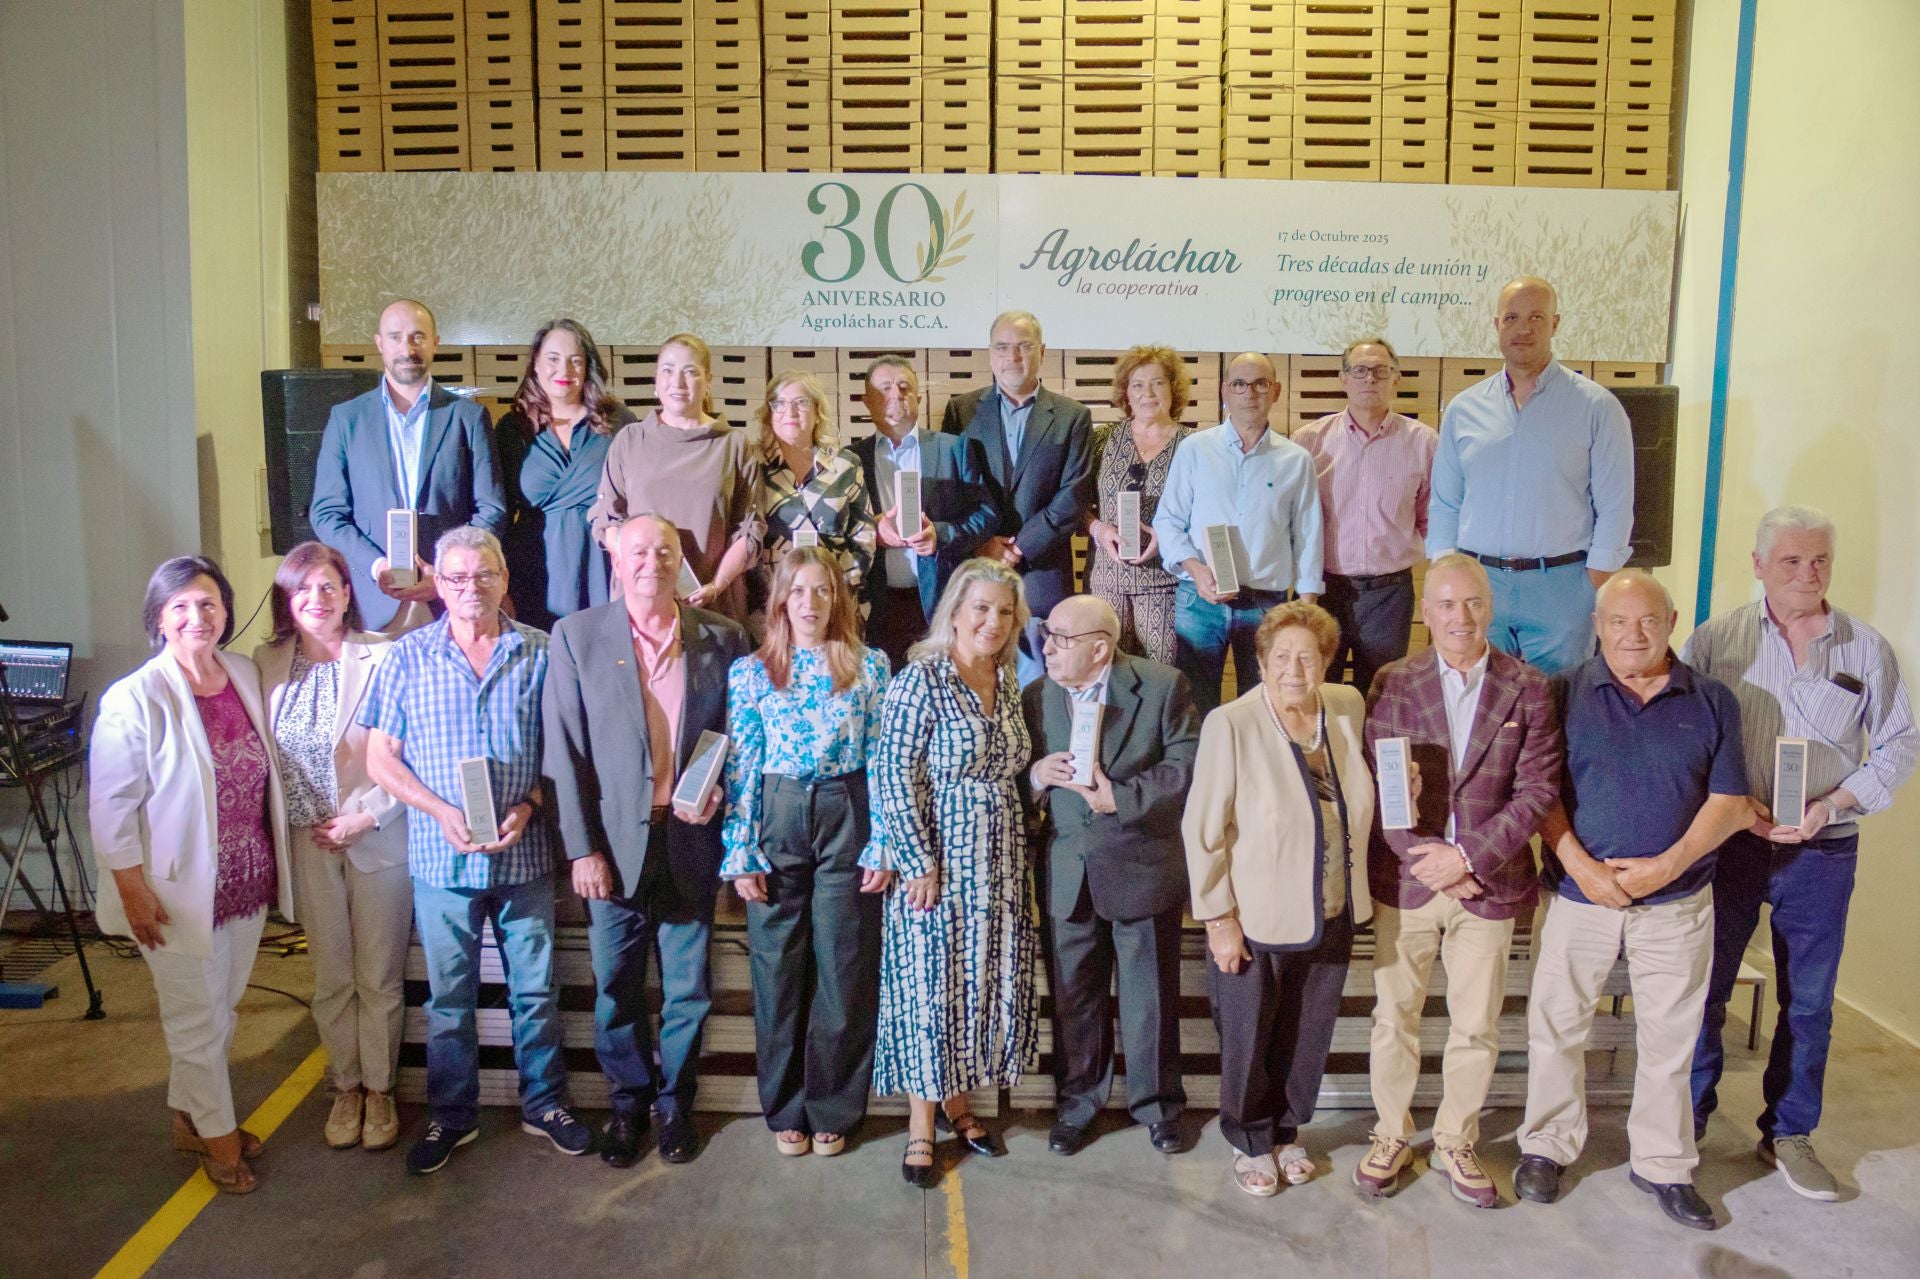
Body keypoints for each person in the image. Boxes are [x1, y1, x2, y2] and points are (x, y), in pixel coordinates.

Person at [1686, 506, 1919, 1201]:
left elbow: (1900, 744)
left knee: (1810, 1001)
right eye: (1790, 560)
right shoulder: (1715, 641)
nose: (1807, 573)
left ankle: (1788, 1132)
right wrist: (1730, 806)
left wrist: (1833, 805)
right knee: (1705, 987)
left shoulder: (1865, 648)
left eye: (1819, 560)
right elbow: (1685, 732)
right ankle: (1687, 1118)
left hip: (1823, 849)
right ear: (1759, 565)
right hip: (1731, 844)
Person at [1515, 571, 1755, 1231]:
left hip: (1677, 900)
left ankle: (1663, 1163)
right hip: (1579, 896)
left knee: (1671, 1038)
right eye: (1617, 620)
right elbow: (1541, 792)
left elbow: (1728, 801)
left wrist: (1665, 867)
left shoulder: (1712, 700)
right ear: (1597, 625)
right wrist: (1581, 867)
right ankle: (1546, 1145)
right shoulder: (1562, 693)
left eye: (1648, 619)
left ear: (1671, 622)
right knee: (1557, 1026)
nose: (1633, 633)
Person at [360, 527, 589, 1175]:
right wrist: (439, 810)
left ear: (504, 578)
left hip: (524, 855)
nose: (470, 587)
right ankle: (452, 1115)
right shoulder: (407, 658)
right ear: (438, 584)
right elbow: (380, 757)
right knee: (450, 1000)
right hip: (443, 861)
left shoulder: (542, 651)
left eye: (484, 574)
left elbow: (564, 749)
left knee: (535, 992)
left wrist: (530, 804)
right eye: (456, 577)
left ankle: (545, 1104)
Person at [543, 513, 751, 1167]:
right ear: (616, 558)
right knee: (617, 987)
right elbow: (564, 751)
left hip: (691, 839)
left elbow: (738, 738)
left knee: (688, 989)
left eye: (664, 550)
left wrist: (722, 795)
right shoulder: (577, 637)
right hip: (611, 848)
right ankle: (628, 1105)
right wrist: (581, 849)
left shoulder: (723, 636)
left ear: (678, 560)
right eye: (638, 550)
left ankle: (674, 1105)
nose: (651, 562)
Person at [1355, 553, 1561, 1207]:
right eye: (1446, 604)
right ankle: (1391, 1133)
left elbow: (1537, 791)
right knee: (1394, 1017)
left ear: (1490, 607)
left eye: (1472, 602)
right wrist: (1430, 859)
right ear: (1425, 611)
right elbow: (1381, 785)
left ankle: (1455, 1139)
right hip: (1408, 880)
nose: (1460, 616)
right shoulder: (1393, 681)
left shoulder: (1529, 687)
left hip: (1489, 885)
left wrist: (1468, 858)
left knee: (1476, 1024)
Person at [88, 556, 297, 1194]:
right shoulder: (134, 696)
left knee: (221, 1011)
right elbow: (110, 807)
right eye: (179, 606)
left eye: (207, 603)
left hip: (245, 881)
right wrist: (131, 890)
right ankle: (219, 1137)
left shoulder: (241, 673)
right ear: (158, 619)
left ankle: (188, 1116)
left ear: (226, 611)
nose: (195, 616)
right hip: (172, 893)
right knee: (195, 1021)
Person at [1184, 601, 1374, 1196]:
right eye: (1282, 657)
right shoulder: (1231, 724)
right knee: (1249, 1036)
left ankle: (1288, 1132)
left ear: (1326, 662)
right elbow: (1203, 830)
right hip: (1255, 917)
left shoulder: (1345, 707)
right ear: (1262, 662)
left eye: (1308, 657)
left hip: (1332, 905)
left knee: (1306, 1031)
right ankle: (1249, 1139)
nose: (1295, 669)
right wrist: (1219, 919)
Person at [720, 549, 894, 1157]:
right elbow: (741, 763)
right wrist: (740, 848)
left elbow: (883, 758)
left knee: (844, 964)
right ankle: (785, 1106)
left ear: (838, 598)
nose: (811, 602)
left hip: (848, 810)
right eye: (799, 591)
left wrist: (884, 839)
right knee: (777, 968)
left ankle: (833, 1107)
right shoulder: (752, 672)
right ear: (781, 601)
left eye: (823, 590)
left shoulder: (870, 666)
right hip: (779, 811)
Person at [871, 558, 1038, 1187]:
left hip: (1000, 860)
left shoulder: (1008, 676)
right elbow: (893, 774)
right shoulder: (921, 677)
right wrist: (918, 862)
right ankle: (920, 1126)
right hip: (938, 860)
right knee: (932, 987)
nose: (993, 621)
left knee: (977, 986)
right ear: (956, 612)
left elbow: (1012, 763)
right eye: (982, 608)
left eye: (1004, 611)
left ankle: (958, 1103)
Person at [1024, 595, 1198, 1157]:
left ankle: (1159, 1106)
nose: (1048, 648)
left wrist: (1120, 798)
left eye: (1061, 638)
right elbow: (1015, 772)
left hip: (1141, 866)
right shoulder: (1036, 695)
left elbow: (1186, 767)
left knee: (1150, 999)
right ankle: (1078, 1104)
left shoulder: (1163, 686)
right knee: (1075, 998)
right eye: (1046, 636)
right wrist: (1035, 777)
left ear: (1100, 649)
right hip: (1068, 872)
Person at [254, 542, 410, 1153]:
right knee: (332, 978)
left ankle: (380, 1090)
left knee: (379, 976)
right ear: (285, 600)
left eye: (328, 586)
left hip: (375, 834)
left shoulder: (386, 655)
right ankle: (345, 1088)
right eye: (303, 589)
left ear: (348, 593)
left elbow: (414, 752)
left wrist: (367, 816)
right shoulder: (265, 662)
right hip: (306, 842)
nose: (316, 599)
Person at [1427, 276, 1636, 675]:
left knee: (1559, 700)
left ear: (1555, 323)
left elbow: (1615, 506)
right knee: (1477, 695)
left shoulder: (1596, 407)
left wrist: (1590, 585)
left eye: (1536, 317)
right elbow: (1446, 503)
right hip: (1478, 583)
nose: (1523, 329)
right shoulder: (1464, 409)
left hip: (1562, 587)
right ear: (1496, 325)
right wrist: (1446, 578)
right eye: (1512, 318)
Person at [309, 298, 508, 634]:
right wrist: (377, 566)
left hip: (451, 602)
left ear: (435, 343)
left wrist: (447, 572)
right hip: (372, 602)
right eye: (396, 337)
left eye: (418, 337)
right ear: (379, 343)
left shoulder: (468, 417)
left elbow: (492, 509)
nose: (407, 348)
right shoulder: (347, 420)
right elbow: (327, 513)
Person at [1153, 352, 1323, 715]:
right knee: (1195, 708)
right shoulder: (1195, 450)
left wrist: (1306, 608)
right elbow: (1167, 521)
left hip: (1267, 604)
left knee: (1264, 708)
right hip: (1199, 601)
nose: (1250, 393)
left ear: (1276, 391)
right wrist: (1195, 568)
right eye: (1239, 384)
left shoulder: (1296, 460)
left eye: (1260, 384)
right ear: (1224, 391)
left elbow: (1309, 535)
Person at [942, 310, 1095, 686]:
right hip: (977, 565)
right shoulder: (961, 411)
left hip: (1043, 571)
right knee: (975, 676)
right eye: (1002, 347)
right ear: (990, 353)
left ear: (1042, 351)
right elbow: (952, 489)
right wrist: (981, 542)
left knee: (1040, 683)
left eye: (1024, 346)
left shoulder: (1072, 416)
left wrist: (1020, 546)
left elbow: (1074, 494)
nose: (1012, 357)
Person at [1292, 338, 1438, 693]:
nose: (1370, 378)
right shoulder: (1309, 442)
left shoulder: (1423, 443)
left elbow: (1429, 518)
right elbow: (1293, 520)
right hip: (1324, 589)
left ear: (1395, 379)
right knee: (1317, 688)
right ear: (1343, 379)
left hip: (1390, 594)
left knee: (1380, 692)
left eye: (1380, 370)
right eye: (1359, 370)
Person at [589, 333, 762, 622]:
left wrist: (716, 586)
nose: (677, 382)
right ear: (656, 380)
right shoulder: (630, 440)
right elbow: (608, 520)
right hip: (639, 604)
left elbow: (748, 529)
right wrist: (644, 575)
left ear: (708, 380)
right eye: (667, 370)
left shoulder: (733, 445)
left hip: (712, 604)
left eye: (690, 371)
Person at [850, 356, 997, 669]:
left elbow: (986, 513)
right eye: (885, 388)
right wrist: (871, 531)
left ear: (919, 397)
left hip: (942, 602)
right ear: (867, 401)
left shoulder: (954, 449)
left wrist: (940, 535)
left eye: (904, 387)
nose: (896, 394)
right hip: (876, 605)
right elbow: (839, 528)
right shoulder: (850, 460)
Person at [495, 318, 636, 630]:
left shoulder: (619, 424)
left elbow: (638, 503)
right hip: (533, 571)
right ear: (535, 363)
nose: (565, 370)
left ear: (588, 367)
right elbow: (497, 512)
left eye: (576, 361)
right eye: (553, 359)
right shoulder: (513, 429)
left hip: (600, 567)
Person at [1084, 346, 1193, 666]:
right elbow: (1075, 504)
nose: (1148, 393)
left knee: (1162, 676)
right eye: (1138, 385)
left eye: (1158, 383)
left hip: (1166, 584)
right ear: (1125, 393)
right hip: (1106, 584)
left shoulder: (1193, 445)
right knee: (1107, 672)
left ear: (1173, 389)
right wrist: (1099, 529)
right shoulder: (1102, 440)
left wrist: (1168, 536)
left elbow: (1208, 513)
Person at [748, 370, 878, 626]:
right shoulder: (751, 463)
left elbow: (864, 535)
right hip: (771, 610)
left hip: (835, 606)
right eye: (779, 403)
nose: (790, 411)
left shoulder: (845, 464)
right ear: (769, 412)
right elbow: (741, 536)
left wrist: (837, 587)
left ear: (818, 411)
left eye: (801, 402)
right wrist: (775, 593)